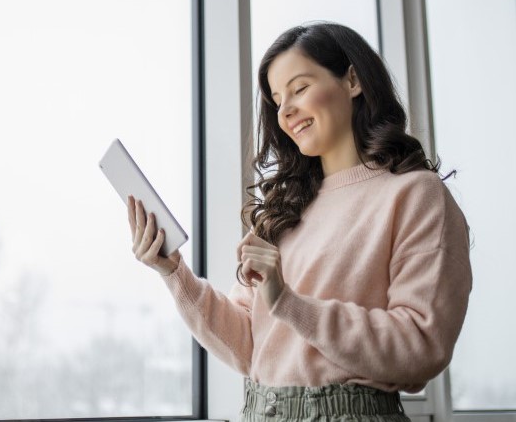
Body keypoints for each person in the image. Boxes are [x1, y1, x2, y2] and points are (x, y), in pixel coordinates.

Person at [127, 21, 472, 421]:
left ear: (353, 81)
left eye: (300, 88)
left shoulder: (415, 195)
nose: (286, 110)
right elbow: (251, 345)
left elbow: (421, 346)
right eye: (277, 99)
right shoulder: (285, 209)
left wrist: (288, 302)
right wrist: (174, 273)